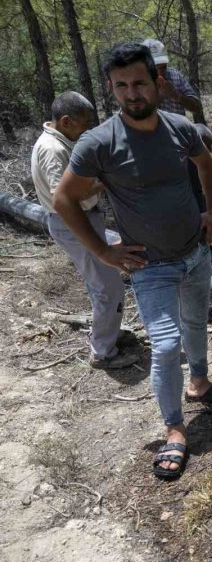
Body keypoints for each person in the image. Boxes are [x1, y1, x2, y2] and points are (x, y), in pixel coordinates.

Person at [53, 41, 212, 481]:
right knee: (166, 344)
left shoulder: (179, 128)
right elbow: (64, 200)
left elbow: (208, 169)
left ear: (156, 83)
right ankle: (175, 428)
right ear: (111, 90)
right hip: (149, 266)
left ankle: (200, 383)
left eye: (139, 83)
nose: (132, 93)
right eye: (122, 86)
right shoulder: (98, 143)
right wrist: (102, 251)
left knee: (196, 325)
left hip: (195, 254)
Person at [30, 91, 133, 369]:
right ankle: (102, 352)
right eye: (84, 123)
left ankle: (108, 334)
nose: (87, 129)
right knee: (108, 288)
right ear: (66, 121)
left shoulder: (58, 141)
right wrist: (101, 184)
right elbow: (61, 199)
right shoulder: (53, 149)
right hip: (73, 222)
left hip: (81, 219)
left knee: (101, 282)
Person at [141, 38, 203, 119]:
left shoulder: (176, 76)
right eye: (154, 68)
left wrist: (177, 96)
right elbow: (138, 114)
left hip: (178, 130)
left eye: (163, 67)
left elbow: (196, 107)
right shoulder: (137, 82)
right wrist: (159, 96)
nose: (160, 73)